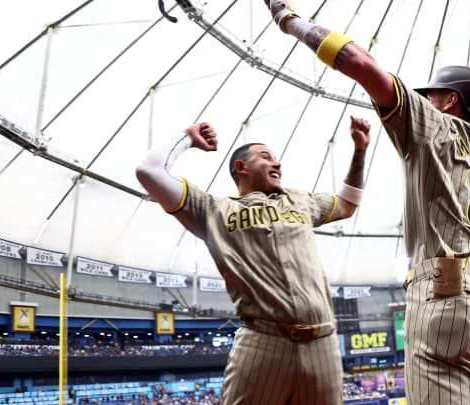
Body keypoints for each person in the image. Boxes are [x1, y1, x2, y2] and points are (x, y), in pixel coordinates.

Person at [264, 1, 470, 404]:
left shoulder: (430, 123)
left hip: (445, 292)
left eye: (435, 94)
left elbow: (358, 61)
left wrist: (289, 21)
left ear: (451, 101)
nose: (428, 99)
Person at [135, 116, 371, 404]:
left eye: (276, 159)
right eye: (266, 157)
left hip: (323, 341)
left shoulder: (300, 200)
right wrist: (187, 137)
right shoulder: (213, 211)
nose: (278, 163)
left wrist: (360, 149)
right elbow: (148, 170)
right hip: (262, 341)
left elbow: (348, 203)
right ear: (241, 167)